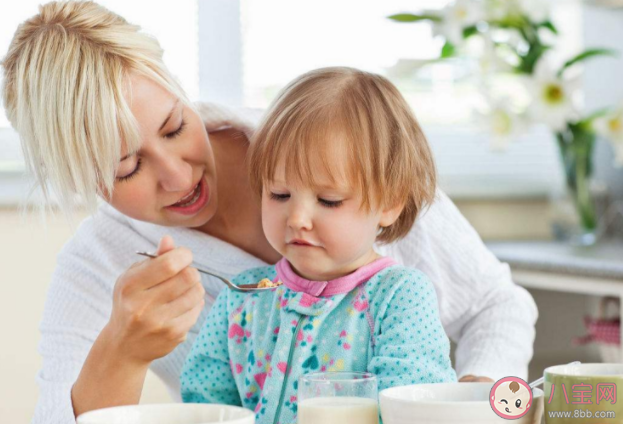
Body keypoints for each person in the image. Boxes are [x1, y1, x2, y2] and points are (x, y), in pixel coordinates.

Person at [0, 2, 537, 423]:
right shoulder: (100, 263)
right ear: (80, 177)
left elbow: (494, 305)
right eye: (126, 167)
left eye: (173, 127)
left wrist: (470, 406)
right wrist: (121, 353)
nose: (179, 176)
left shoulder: (342, 144)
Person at [180, 67, 457, 424]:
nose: (297, 218)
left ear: (390, 203)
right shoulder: (244, 298)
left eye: (328, 200)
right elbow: (205, 405)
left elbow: (415, 411)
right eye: (279, 194)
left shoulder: (398, 298)